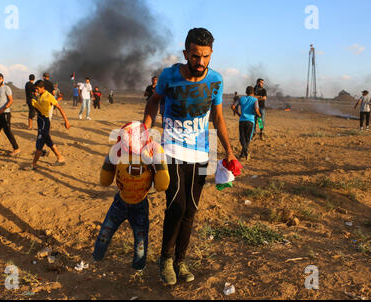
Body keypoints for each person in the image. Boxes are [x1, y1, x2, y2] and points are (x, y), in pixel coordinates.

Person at [143, 28, 237, 285]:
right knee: (176, 206)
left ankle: (180, 261)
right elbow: (154, 101)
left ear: (211, 54)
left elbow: (217, 117)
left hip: (200, 153)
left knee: (191, 210)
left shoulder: (215, 80)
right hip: (171, 150)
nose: (201, 62)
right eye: (195, 56)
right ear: (186, 53)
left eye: (206, 56)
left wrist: (228, 151)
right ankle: (165, 259)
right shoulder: (169, 75)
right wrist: (145, 130)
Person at [93, 122, 170, 271]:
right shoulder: (117, 151)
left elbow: (162, 184)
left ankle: (138, 264)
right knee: (107, 231)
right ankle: (98, 255)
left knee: (139, 239)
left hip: (138, 204)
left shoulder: (153, 151)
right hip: (122, 201)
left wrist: (158, 162)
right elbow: (105, 180)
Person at [27, 80, 70, 170]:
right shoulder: (39, 96)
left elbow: (59, 108)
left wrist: (66, 121)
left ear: (43, 88)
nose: (36, 90)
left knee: (39, 142)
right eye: (35, 89)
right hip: (40, 121)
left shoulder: (49, 96)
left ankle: (33, 164)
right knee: (48, 140)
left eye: (37, 89)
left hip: (45, 121)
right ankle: (60, 157)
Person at [232, 86, 261, 160]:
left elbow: (233, 106)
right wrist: (259, 115)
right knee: (248, 138)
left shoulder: (241, 99)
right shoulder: (255, 99)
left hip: (242, 120)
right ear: (253, 92)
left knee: (242, 137)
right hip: (250, 121)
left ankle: (242, 153)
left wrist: (238, 114)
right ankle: (246, 151)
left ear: (246, 92)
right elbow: (256, 110)